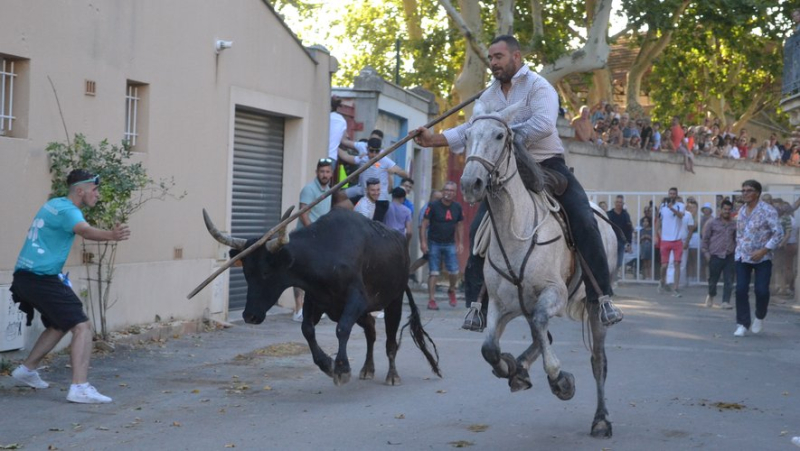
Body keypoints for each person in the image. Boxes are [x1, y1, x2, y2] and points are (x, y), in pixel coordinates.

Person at [413, 35, 623, 326]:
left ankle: (601, 298)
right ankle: (477, 305)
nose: (493, 63)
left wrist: (506, 134)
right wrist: (434, 139)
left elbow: (543, 125)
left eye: (498, 57)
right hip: (507, 173)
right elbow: (473, 129)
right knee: (478, 232)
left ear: (516, 57)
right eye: (491, 58)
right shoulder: (488, 96)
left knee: (585, 220)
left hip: (548, 165)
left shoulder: (539, 87)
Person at [9, 169, 130, 403]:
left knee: (59, 323)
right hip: (40, 277)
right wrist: (111, 235)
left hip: (25, 276)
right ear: (80, 190)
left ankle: (27, 370)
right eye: (94, 190)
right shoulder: (69, 211)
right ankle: (79, 387)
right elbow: (83, 230)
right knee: (82, 326)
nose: (97, 194)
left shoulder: (54, 204)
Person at [733, 180, 783, 337]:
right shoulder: (741, 211)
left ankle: (760, 316)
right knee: (740, 290)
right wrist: (737, 250)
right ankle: (742, 323)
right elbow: (740, 233)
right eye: (743, 190)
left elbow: (778, 233)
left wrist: (764, 250)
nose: (745, 193)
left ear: (757, 193)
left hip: (762, 257)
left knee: (761, 291)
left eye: (749, 190)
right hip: (742, 255)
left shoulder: (768, 210)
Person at [292, 158, 333, 322]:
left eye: (327, 171)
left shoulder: (329, 190)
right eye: (322, 171)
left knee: (315, 275)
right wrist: (312, 231)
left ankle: (314, 307)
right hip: (305, 237)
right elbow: (303, 212)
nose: (324, 174)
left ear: (331, 173)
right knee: (300, 274)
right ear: (317, 172)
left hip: (319, 238)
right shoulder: (309, 189)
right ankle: (298, 309)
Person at [339, 137, 409, 222]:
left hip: (380, 201)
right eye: (372, 151)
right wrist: (333, 145)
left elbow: (404, 173)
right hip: (365, 197)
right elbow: (345, 157)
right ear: (367, 149)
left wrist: (395, 172)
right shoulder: (363, 158)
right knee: (338, 208)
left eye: (377, 151)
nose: (374, 154)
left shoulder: (384, 160)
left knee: (373, 227)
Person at [420, 181, 464, 310]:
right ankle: (432, 300)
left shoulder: (457, 207)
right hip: (434, 243)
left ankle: (451, 290)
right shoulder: (433, 206)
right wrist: (423, 242)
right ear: (443, 191)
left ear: (455, 193)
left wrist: (460, 242)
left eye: (451, 191)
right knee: (434, 272)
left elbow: (460, 225)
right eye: (446, 190)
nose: (448, 193)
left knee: (454, 271)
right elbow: (424, 224)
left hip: (450, 243)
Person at [701, 200, 736, 309]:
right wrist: (706, 253)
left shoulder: (734, 224)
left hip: (729, 256)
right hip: (715, 256)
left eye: (729, 210)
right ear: (720, 210)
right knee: (713, 280)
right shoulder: (712, 222)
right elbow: (705, 238)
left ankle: (725, 301)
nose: (726, 211)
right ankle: (711, 294)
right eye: (725, 209)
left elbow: (736, 239)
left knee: (729, 280)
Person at [655, 187, 686, 296]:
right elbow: (658, 220)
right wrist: (656, 235)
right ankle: (662, 281)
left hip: (677, 239)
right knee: (664, 265)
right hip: (665, 239)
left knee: (677, 263)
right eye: (670, 193)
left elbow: (681, 215)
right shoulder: (662, 207)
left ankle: (675, 287)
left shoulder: (680, 205)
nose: (672, 195)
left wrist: (672, 208)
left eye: (674, 194)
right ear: (668, 194)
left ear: (676, 195)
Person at [606, 195, 633, 285]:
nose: (618, 204)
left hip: (621, 242)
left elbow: (629, 230)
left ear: (623, 203)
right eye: (617, 202)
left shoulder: (625, 215)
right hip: (610, 242)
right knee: (609, 262)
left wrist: (629, 243)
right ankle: (608, 281)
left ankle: (613, 280)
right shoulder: (609, 214)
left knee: (618, 262)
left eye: (620, 202)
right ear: (615, 203)